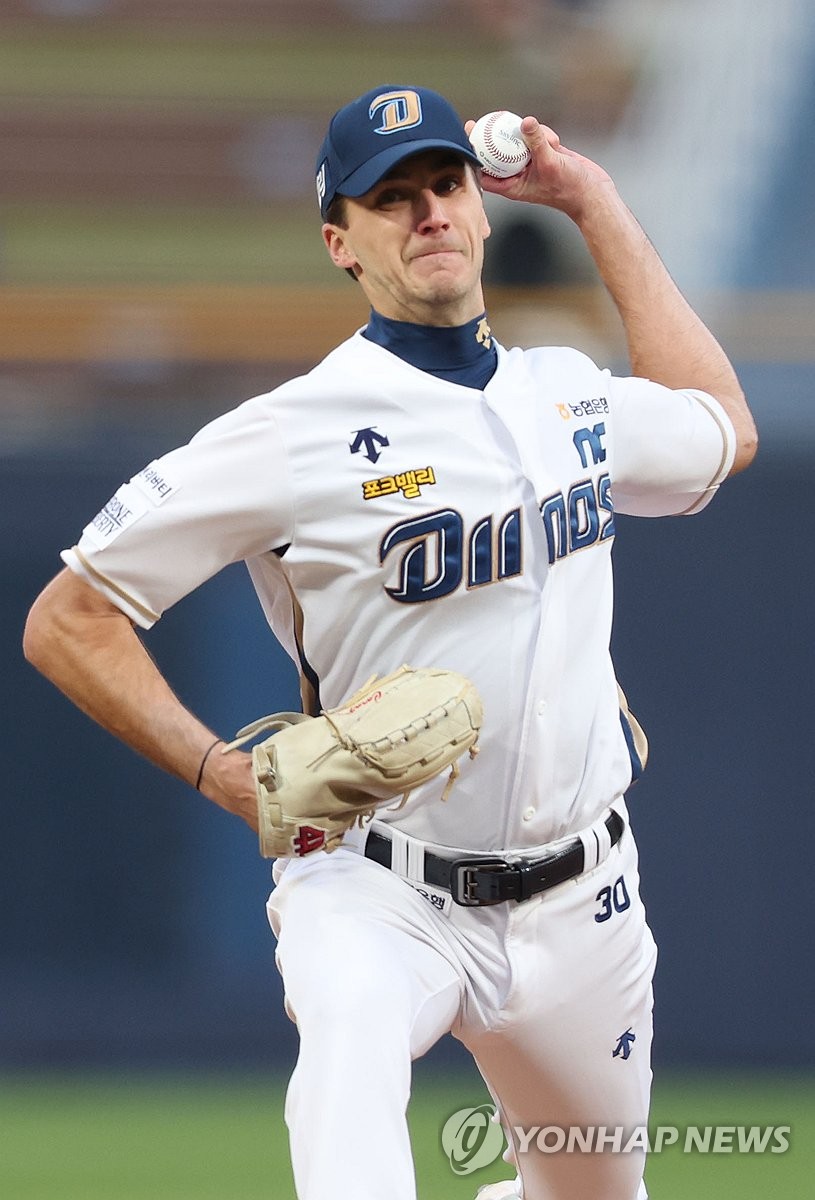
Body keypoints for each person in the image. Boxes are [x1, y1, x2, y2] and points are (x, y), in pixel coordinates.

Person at [24, 84, 757, 1200]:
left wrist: (593, 201)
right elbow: (68, 617)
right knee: (347, 1084)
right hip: (376, 885)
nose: (427, 213)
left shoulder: (570, 397)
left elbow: (722, 432)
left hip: (580, 896)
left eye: (444, 184)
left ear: (476, 205)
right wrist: (224, 775)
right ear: (340, 242)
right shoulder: (293, 430)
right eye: (389, 197)